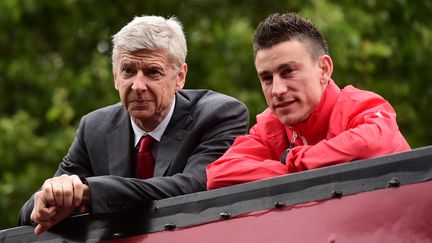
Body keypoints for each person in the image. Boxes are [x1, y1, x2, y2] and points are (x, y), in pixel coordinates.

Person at [18, 15, 249, 234]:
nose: (138, 85)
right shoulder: (94, 128)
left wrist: (89, 193)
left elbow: (194, 187)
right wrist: (46, 199)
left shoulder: (219, 115)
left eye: (152, 72)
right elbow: (30, 214)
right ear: (115, 76)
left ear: (180, 76)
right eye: (128, 71)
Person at [206, 12, 410, 190]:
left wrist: (294, 159)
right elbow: (219, 173)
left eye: (289, 72)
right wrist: (294, 170)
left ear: (324, 69)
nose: (277, 90)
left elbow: (371, 145)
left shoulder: (362, 106)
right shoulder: (269, 127)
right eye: (267, 78)